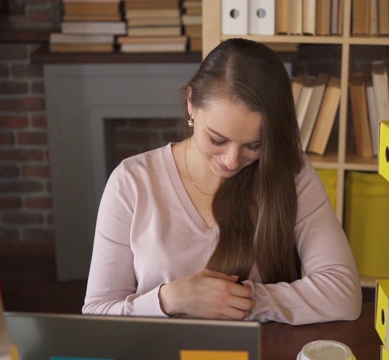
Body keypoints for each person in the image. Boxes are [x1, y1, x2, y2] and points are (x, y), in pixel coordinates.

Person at [82, 38, 362, 325]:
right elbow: (97, 312)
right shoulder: (132, 182)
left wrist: (239, 301)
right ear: (192, 103)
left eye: (254, 145)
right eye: (217, 140)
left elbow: (343, 294)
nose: (231, 161)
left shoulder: (291, 171)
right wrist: (170, 299)